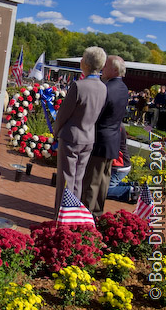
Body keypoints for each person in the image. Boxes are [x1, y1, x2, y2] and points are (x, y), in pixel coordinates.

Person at [53, 46, 107, 217]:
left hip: (71, 137)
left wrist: (55, 132)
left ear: (85, 63)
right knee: (78, 180)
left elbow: (63, 115)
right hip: (88, 137)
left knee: (66, 179)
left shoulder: (78, 86)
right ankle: (73, 214)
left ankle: (61, 216)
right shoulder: (103, 87)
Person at [81, 55, 129, 218]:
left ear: (115, 70)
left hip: (99, 141)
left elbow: (94, 115)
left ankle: (85, 218)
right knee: (102, 183)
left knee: (91, 183)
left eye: (106, 65)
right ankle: (96, 214)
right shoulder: (123, 88)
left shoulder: (107, 89)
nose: (102, 68)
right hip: (112, 143)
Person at [106, 123, 140, 203]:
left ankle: (131, 191)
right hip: (122, 164)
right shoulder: (118, 124)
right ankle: (131, 185)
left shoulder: (116, 126)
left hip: (120, 166)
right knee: (108, 182)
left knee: (103, 190)